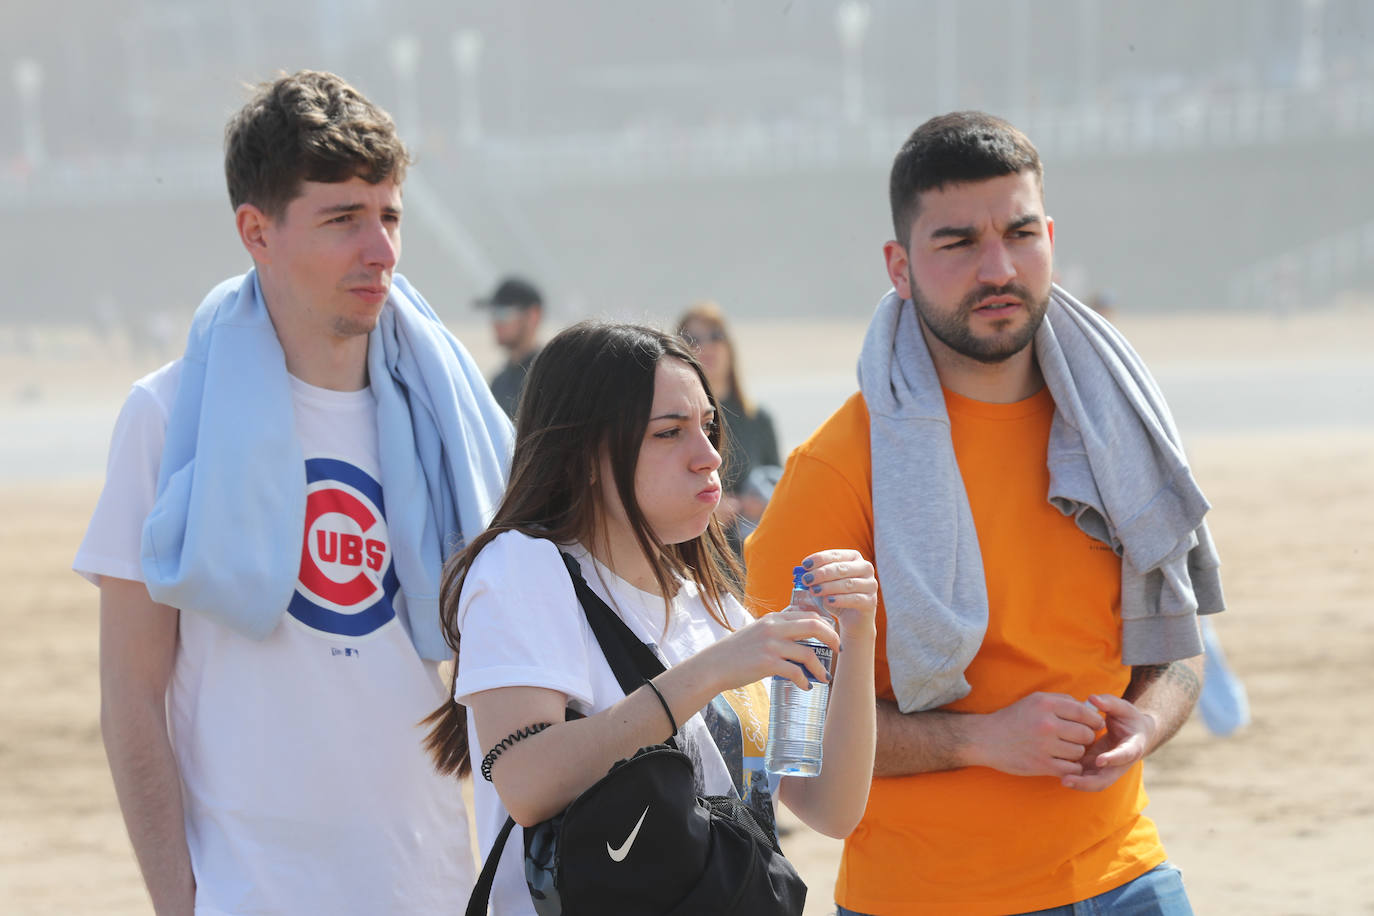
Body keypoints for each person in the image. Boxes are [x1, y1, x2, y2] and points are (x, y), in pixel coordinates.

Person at [746, 111, 1225, 915]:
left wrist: (1144, 726)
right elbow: (788, 748)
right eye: (958, 242)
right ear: (899, 266)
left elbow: (1178, 649)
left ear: (1050, 237)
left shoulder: (1115, 429)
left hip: (1128, 879)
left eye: (1020, 233)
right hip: (927, 899)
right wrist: (980, 739)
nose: (998, 267)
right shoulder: (832, 474)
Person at [72, 70, 512, 914]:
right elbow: (132, 695)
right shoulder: (166, 420)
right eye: (343, 220)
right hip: (251, 891)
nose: (380, 251)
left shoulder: (449, 421)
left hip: (432, 885)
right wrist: (180, 901)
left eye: (389, 216)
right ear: (256, 231)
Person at [424, 320, 878, 915]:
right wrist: (714, 670)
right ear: (585, 456)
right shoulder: (526, 569)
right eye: (670, 433)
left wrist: (857, 635)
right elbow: (527, 783)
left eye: (709, 427)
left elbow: (828, 807)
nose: (709, 456)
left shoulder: (711, 606)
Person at [676, 301, 781, 557]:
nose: (707, 346)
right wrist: (706, 509)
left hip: (751, 558)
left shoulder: (758, 419)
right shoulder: (671, 422)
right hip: (692, 558)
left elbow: (783, 490)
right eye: (692, 339)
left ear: (729, 347)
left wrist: (761, 504)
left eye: (716, 336)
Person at [478, 274, 544, 419]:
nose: (495, 323)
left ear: (533, 315)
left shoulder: (547, 375)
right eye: (493, 313)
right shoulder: (499, 382)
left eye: (503, 313)